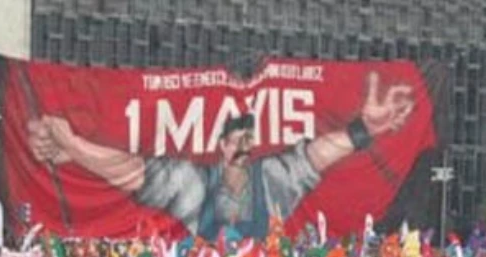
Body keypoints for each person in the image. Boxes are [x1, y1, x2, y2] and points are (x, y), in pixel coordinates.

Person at [26, 74, 417, 239]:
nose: (243, 149)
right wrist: (76, 148)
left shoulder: (272, 181)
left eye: (249, 141)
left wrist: (364, 129)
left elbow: (315, 155)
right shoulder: (195, 186)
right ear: (221, 147)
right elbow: (131, 170)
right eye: (236, 142)